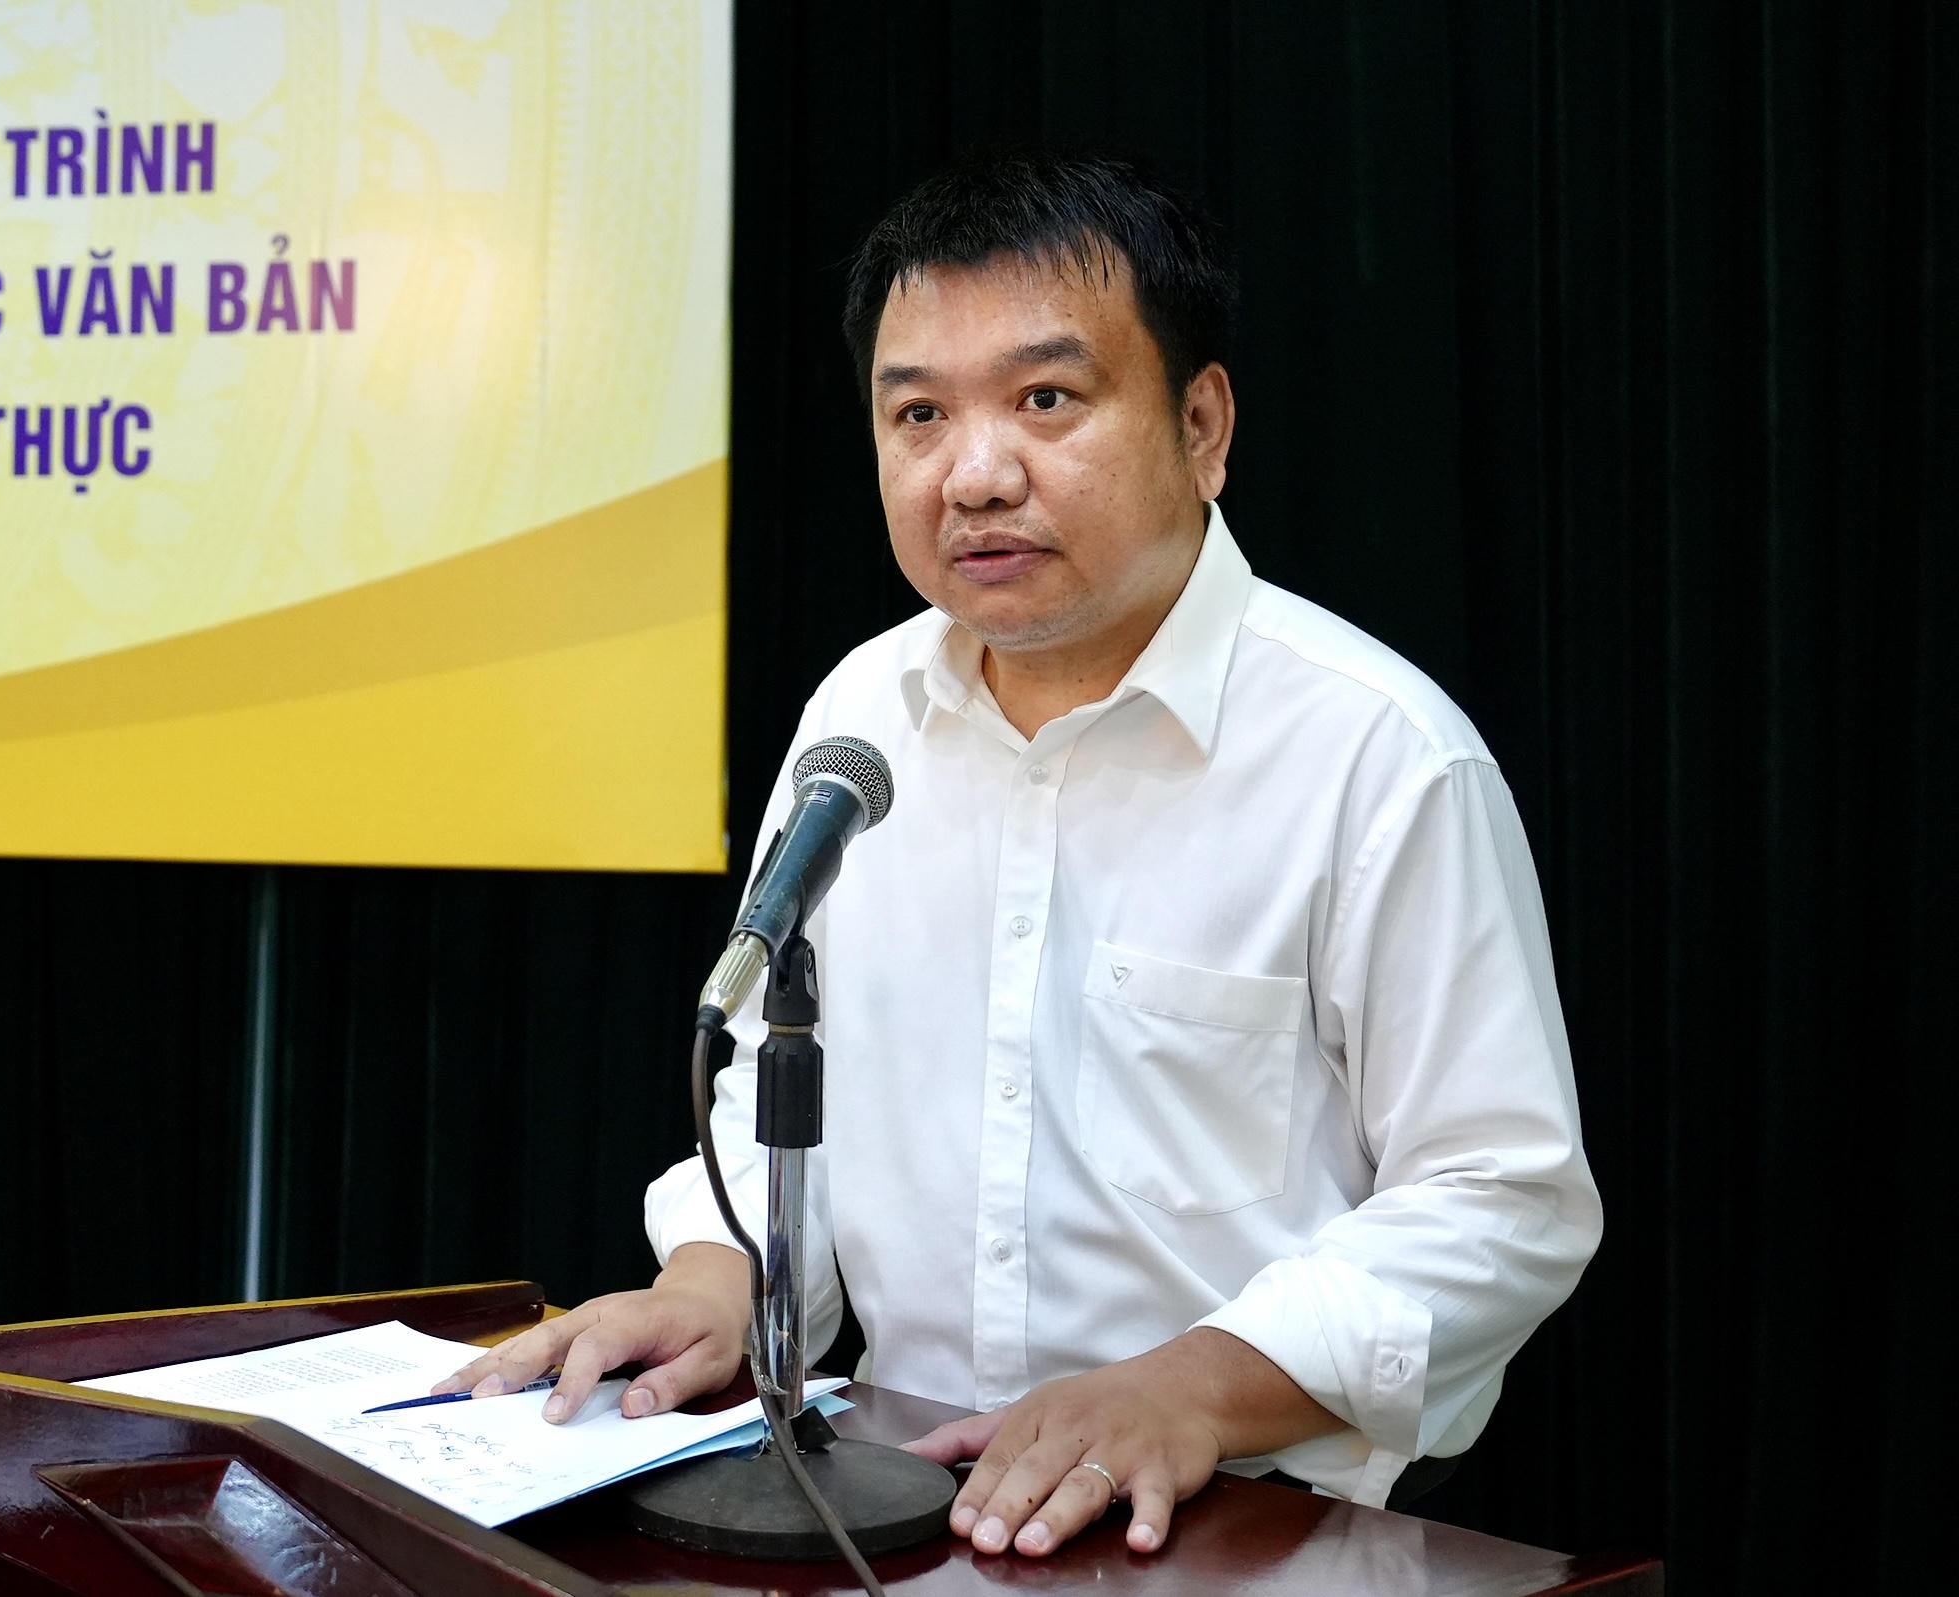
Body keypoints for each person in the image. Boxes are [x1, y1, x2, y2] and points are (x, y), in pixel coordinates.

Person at [442, 148, 1602, 1560]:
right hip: (909, 1505)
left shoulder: (1376, 753)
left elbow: (1501, 1197)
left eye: (1046, 400)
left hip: (1245, 1527)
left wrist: (1191, 1387)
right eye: (918, 414)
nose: (976, 474)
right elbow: (785, 1083)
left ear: (1202, 425)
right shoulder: (861, 717)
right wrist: (714, 1277)